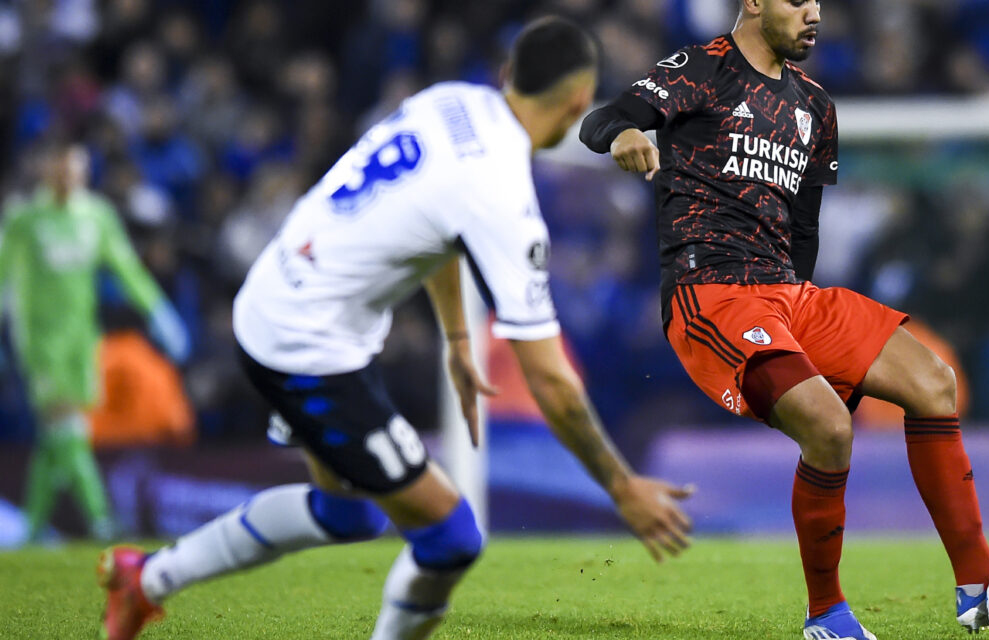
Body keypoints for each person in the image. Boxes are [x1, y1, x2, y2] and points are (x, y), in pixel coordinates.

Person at [98, 17, 693, 640]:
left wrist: (459, 340)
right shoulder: (503, 197)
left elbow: (435, 223)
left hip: (277, 296)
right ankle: (148, 582)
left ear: (508, 74)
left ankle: (143, 580)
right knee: (452, 537)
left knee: (346, 514)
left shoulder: (449, 102)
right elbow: (551, 380)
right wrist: (621, 487)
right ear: (577, 103)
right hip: (305, 346)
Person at [579, 1, 989, 638]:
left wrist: (799, 309)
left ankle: (977, 582)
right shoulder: (702, 68)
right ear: (753, 1)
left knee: (934, 382)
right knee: (830, 427)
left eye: (817, 3)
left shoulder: (816, 107)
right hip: (712, 292)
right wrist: (624, 135)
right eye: (797, 0)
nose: (813, 13)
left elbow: (803, 229)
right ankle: (826, 614)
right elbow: (603, 117)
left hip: (790, 295)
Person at [0, 142, 189, 544]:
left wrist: (158, 309)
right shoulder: (25, 219)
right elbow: (2, 275)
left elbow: (126, 268)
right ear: (47, 169)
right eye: (62, 167)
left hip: (82, 338)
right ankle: (102, 520)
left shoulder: (97, 216)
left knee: (57, 434)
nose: (70, 176)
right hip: (38, 339)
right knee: (68, 426)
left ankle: (32, 530)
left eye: (77, 168)